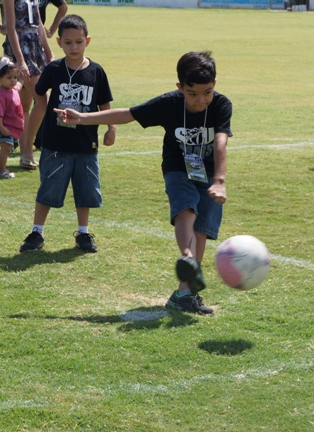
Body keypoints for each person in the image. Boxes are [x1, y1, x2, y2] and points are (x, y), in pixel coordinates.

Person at [55, 51, 232, 315]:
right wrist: (83, 118)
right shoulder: (169, 103)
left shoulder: (221, 105)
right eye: (192, 93)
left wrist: (219, 180)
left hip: (207, 173)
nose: (200, 100)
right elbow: (128, 114)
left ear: (214, 84)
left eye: (207, 92)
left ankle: (185, 293)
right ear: (180, 88)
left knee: (202, 228)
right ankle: (187, 256)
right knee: (185, 210)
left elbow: (220, 140)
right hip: (177, 168)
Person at [19, 15, 115, 254]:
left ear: (87, 41)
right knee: (48, 188)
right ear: (59, 42)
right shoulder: (53, 69)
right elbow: (39, 92)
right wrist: (44, 110)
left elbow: (104, 103)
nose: (74, 47)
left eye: (79, 42)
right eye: (68, 42)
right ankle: (37, 232)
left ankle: (83, 233)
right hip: (56, 143)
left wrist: (110, 128)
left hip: (86, 144)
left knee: (86, 191)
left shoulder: (96, 71)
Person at [1, 0, 53, 171]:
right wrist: (20, 60)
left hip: (36, 47)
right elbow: (11, 27)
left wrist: (48, 52)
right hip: (19, 48)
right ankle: (28, 149)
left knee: (26, 102)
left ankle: (23, 150)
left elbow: (38, 23)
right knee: (43, 100)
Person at [0, 56, 23, 179]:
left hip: (12, 127)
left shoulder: (13, 89)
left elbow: (19, 85)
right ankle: (2, 170)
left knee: (7, 149)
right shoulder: (1, 95)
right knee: (6, 149)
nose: (13, 80)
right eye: (9, 78)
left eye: (15, 77)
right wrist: (2, 127)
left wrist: (23, 77)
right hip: (4, 127)